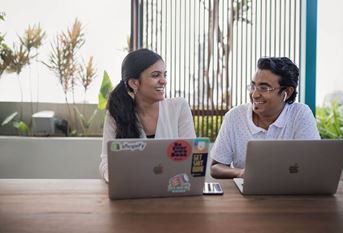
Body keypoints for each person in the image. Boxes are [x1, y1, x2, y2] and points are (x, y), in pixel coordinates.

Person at [210, 57, 320, 179]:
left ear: (287, 92)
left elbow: (312, 165)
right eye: (253, 86)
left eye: (264, 88)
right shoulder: (235, 117)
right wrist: (241, 173)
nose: (254, 94)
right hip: (246, 194)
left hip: (291, 193)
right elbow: (216, 168)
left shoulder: (300, 114)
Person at [99, 48, 196, 181]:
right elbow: (106, 162)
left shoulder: (179, 107)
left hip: (174, 188)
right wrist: (117, 180)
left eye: (164, 75)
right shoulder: (116, 114)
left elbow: (192, 156)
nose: (163, 81)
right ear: (134, 83)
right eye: (156, 75)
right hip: (132, 190)